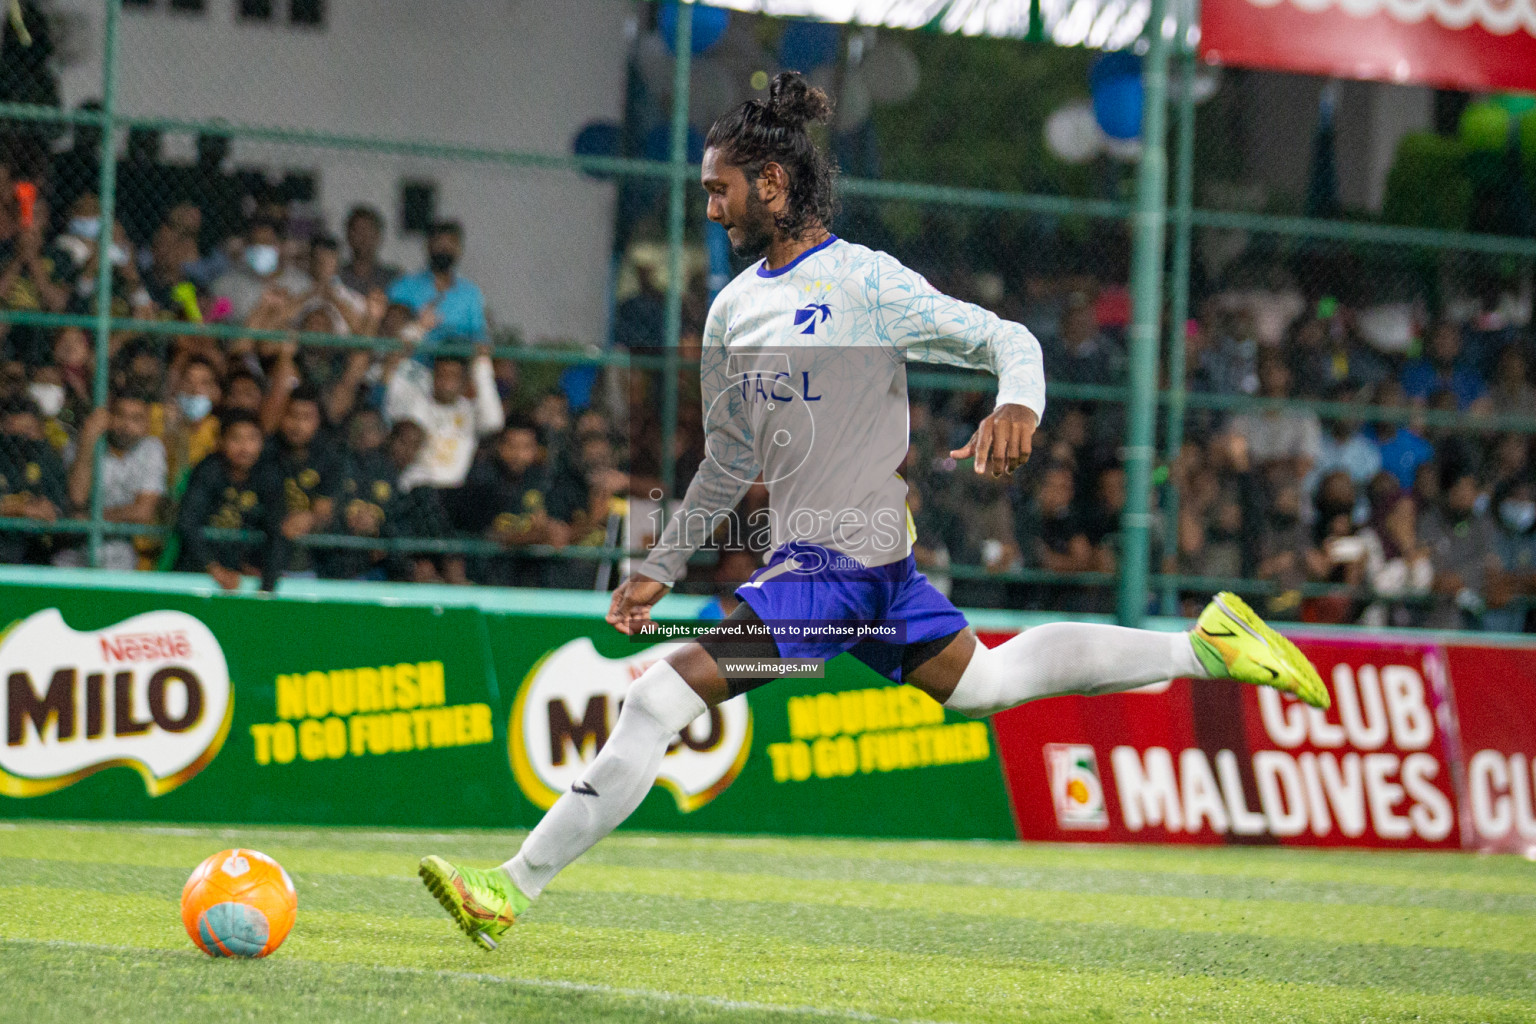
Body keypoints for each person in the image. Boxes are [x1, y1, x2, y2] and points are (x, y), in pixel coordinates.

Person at [416, 73, 1329, 950]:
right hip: (858, 569)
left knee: (656, 698)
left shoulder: (867, 283)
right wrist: (659, 563)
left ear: (771, 182)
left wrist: (1019, 404)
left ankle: (511, 887)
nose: (709, 208)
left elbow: (1005, 337)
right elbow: (729, 458)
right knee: (984, 685)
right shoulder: (732, 311)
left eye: (718, 189)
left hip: (836, 566)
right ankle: (1201, 647)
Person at [174, 410, 284, 590]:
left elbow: (276, 526)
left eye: (252, 439)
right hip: (199, 571)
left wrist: (267, 580)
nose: (244, 447)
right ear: (221, 442)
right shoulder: (207, 472)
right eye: (236, 439)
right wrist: (214, 569)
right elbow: (187, 522)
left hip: (247, 570)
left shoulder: (268, 475)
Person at [57, 391, 165, 571]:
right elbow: (77, 497)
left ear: (146, 424)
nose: (126, 425)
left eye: (136, 419)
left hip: (121, 555)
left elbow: (143, 512)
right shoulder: (83, 443)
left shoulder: (151, 449)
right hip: (73, 553)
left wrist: (92, 519)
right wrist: (88, 441)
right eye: (119, 415)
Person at [386, 220, 486, 348]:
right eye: (439, 242)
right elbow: (390, 331)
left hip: (456, 365)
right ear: (428, 246)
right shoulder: (404, 286)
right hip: (411, 363)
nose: (444, 248)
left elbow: (479, 338)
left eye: (451, 243)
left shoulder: (471, 294)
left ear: (459, 249)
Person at [339, 205, 400, 296]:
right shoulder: (337, 278)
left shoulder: (393, 279)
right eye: (357, 231)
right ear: (348, 236)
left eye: (368, 231)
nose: (363, 237)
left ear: (378, 236)